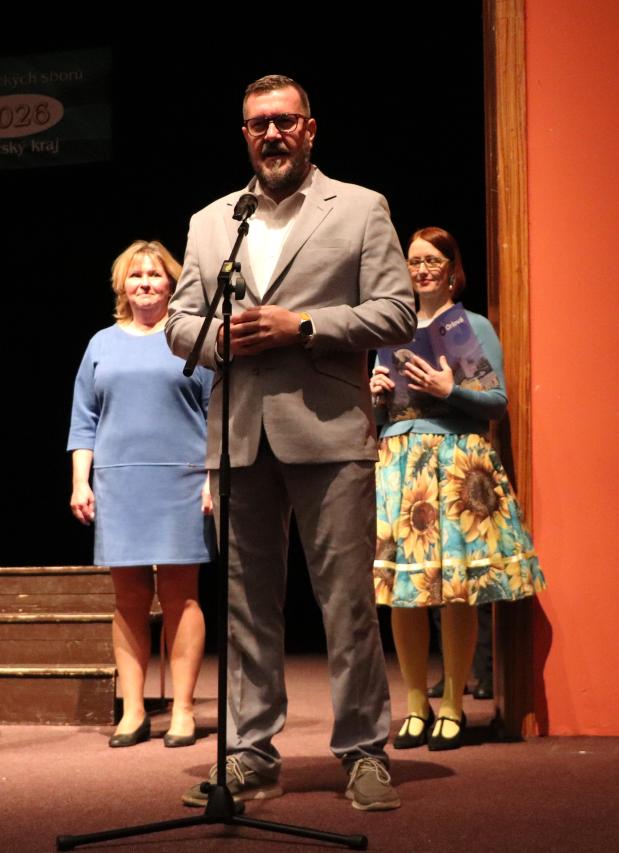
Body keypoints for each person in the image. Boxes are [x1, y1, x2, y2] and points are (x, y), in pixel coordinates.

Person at [166, 74, 416, 812]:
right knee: (246, 607)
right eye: (258, 124)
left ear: (310, 129)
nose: (271, 134)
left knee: (346, 603)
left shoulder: (361, 207)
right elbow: (180, 324)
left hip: (330, 433)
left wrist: (302, 325)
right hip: (239, 437)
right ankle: (249, 755)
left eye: (284, 121)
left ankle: (364, 752)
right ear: (244, 134)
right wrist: (222, 339)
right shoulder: (213, 220)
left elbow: (397, 312)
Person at [369, 227, 545, 751]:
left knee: (455, 588)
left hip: (453, 462)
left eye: (432, 261)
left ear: (451, 270)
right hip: (400, 463)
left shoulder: (470, 326)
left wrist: (449, 389)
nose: (421, 269)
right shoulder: (393, 327)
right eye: (414, 261)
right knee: (405, 592)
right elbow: (381, 414)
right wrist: (375, 396)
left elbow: (496, 402)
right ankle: (416, 706)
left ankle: (452, 706)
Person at [68, 240, 212, 749]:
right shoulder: (101, 343)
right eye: (136, 275)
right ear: (121, 285)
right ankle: (132, 710)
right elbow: (83, 419)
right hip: (118, 481)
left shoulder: (193, 340)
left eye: (154, 275)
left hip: (183, 479)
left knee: (180, 596)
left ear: (172, 284)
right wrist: (80, 480)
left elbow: (218, 414)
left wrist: (212, 478)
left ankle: (183, 710)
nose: (145, 283)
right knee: (128, 598)